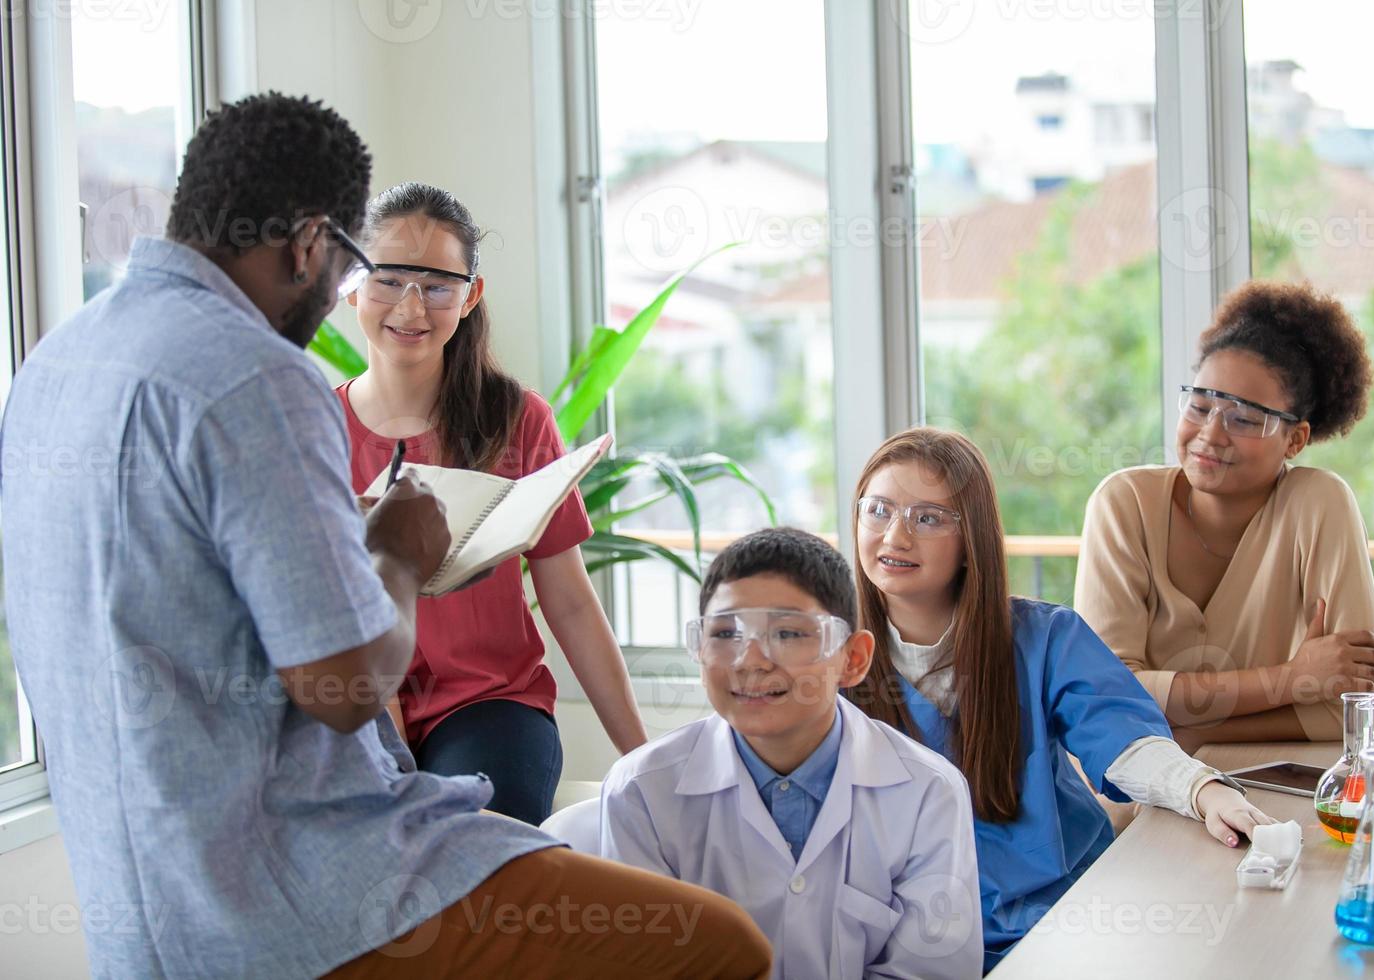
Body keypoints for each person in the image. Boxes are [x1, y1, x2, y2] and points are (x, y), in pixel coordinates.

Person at [0, 92, 768, 979]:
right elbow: (343, 685)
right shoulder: (262, 379)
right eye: (363, 269)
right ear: (311, 247)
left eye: (435, 285)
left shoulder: (51, 366)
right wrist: (398, 548)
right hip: (305, 896)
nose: (371, 297)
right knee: (724, 947)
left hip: (140, 911)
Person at [844, 427, 1274, 972]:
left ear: (970, 538)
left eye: (927, 518)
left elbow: (1123, 739)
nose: (895, 536)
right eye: (877, 510)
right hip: (909, 942)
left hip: (1061, 919)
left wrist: (1204, 790)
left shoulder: (1044, 638)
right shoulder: (829, 659)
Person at [338, 181, 645, 824]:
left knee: (475, 849)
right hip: (355, 706)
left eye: (438, 285)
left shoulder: (517, 420)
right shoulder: (311, 429)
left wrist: (641, 757)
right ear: (352, 283)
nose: (412, 306)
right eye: (389, 279)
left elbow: (568, 598)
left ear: (471, 294)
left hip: (489, 705)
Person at [600, 528, 984, 979]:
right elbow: (642, 967)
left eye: (787, 632)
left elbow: (931, 971)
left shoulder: (928, 792)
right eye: (725, 632)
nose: (751, 660)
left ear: (853, 659)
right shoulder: (641, 793)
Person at [1075, 280, 1374, 750]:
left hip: (1271, 799)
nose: (1211, 435)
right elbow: (1105, 693)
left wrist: (1196, 732)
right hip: (1134, 802)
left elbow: (1360, 707)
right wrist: (1292, 679)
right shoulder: (1124, 505)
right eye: (1200, 406)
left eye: (1244, 419)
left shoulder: (1320, 505)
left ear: (1296, 440)